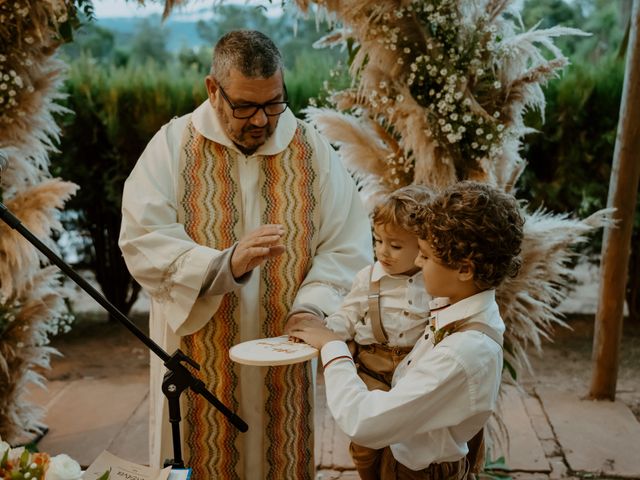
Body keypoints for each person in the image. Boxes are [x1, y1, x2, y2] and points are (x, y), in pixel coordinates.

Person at [118, 30, 372, 480]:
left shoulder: (311, 150)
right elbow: (143, 237)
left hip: (285, 356)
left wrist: (312, 308)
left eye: (274, 103)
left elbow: (347, 245)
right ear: (212, 90)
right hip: (200, 359)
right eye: (245, 106)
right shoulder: (173, 146)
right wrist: (222, 265)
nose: (261, 121)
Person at [290, 181, 524, 479]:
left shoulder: (463, 353)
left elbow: (364, 422)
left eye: (425, 256)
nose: (416, 262)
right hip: (404, 455)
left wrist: (332, 347)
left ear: (465, 269)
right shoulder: (458, 308)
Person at [322, 185, 433, 479]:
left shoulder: (433, 282)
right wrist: (329, 330)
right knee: (366, 440)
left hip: (415, 372)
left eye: (395, 246)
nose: (383, 251)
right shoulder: (368, 277)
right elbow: (348, 313)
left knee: (407, 443)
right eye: (378, 240)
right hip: (374, 370)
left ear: (424, 246)